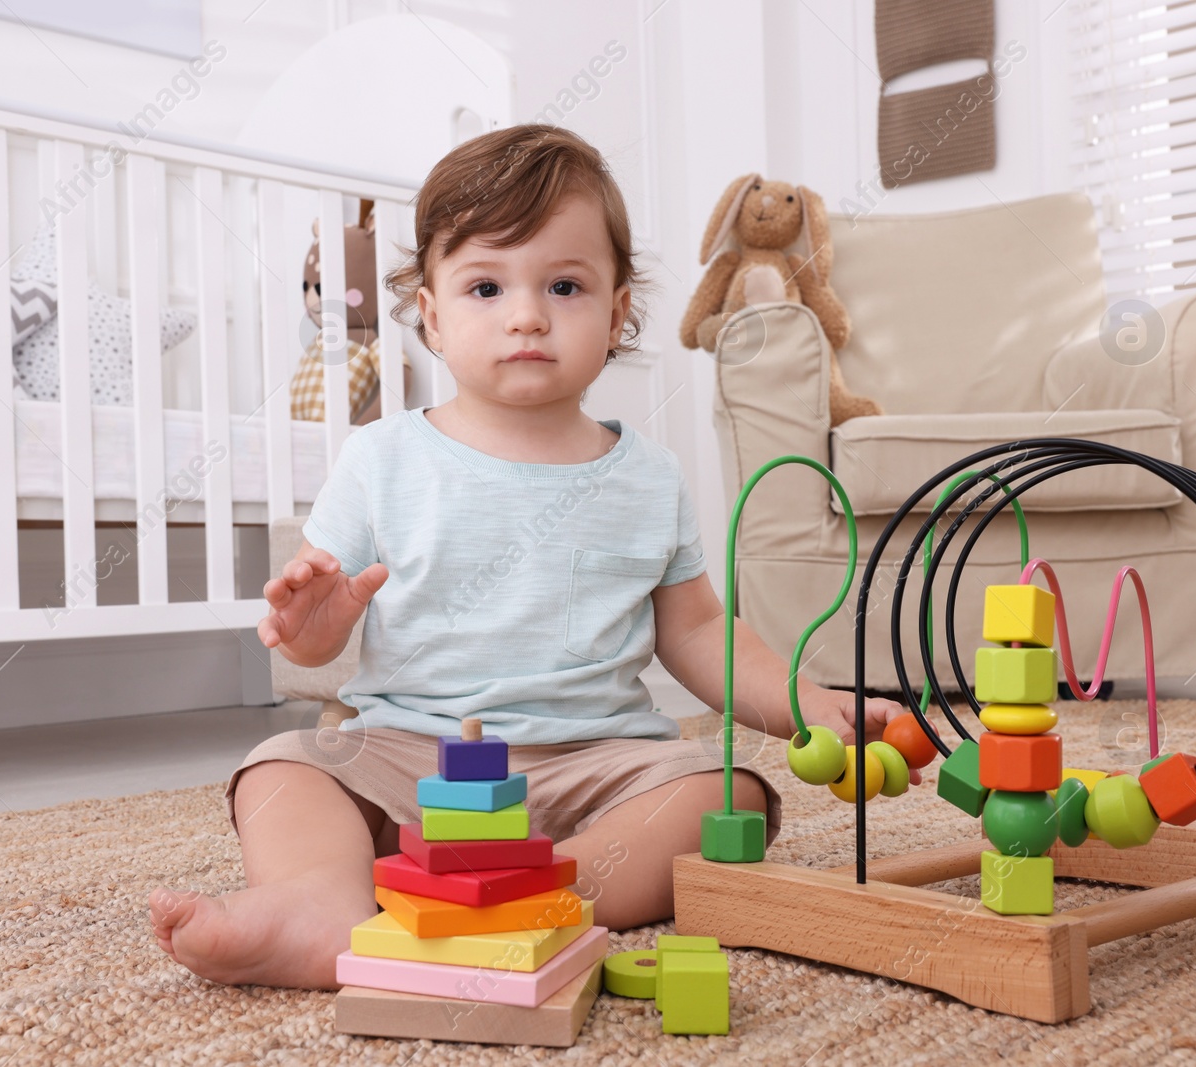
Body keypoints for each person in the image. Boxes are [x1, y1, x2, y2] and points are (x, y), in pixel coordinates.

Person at [150, 123, 908, 990]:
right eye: (484, 285)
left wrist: (809, 703)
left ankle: (541, 890)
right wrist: (314, 632)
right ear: (432, 314)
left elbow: (700, 631)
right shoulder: (381, 458)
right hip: (417, 754)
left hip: (595, 763)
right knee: (281, 769)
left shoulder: (649, 477)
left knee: (725, 793)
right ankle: (319, 900)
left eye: (563, 284)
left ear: (618, 311)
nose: (526, 315)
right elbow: (319, 635)